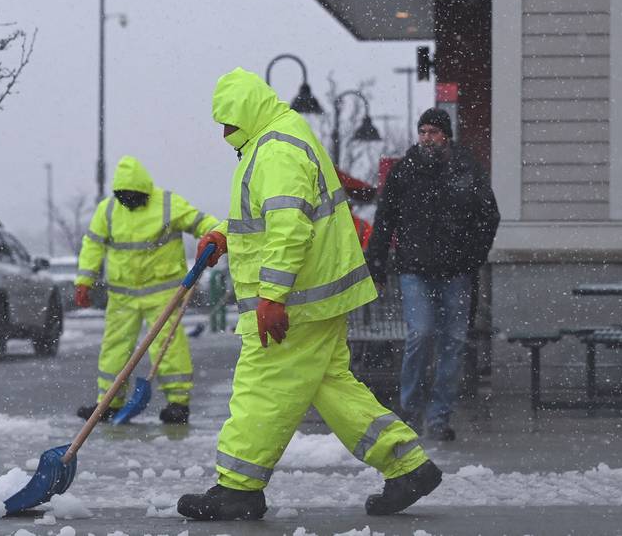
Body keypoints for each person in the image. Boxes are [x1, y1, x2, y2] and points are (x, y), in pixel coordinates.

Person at [177, 68, 442, 521]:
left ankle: (238, 488)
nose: (224, 133)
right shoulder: (278, 140)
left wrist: (272, 297)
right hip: (312, 297)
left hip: (294, 301)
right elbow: (266, 221)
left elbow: (289, 229)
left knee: (261, 386)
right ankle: (408, 466)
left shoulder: (276, 150)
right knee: (332, 386)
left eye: (228, 121)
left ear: (247, 112)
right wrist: (223, 236)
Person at [365, 107, 500, 442]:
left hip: (456, 270)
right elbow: (384, 221)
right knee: (421, 336)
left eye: (433, 132)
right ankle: (410, 412)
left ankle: (439, 417)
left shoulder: (467, 170)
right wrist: (377, 265)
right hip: (414, 269)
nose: (427, 138)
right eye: (422, 132)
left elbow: (488, 216)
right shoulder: (404, 172)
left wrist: (473, 256)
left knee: (452, 344)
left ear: (446, 135)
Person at [75, 155, 220, 424]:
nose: (129, 201)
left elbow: (200, 221)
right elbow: (92, 245)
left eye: (134, 196)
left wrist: (214, 236)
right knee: (115, 348)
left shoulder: (166, 204)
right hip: (122, 295)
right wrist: (84, 280)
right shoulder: (108, 211)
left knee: (167, 346)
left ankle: (178, 403)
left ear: (144, 190)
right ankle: (108, 402)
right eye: (124, 196)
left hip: (163, 293)